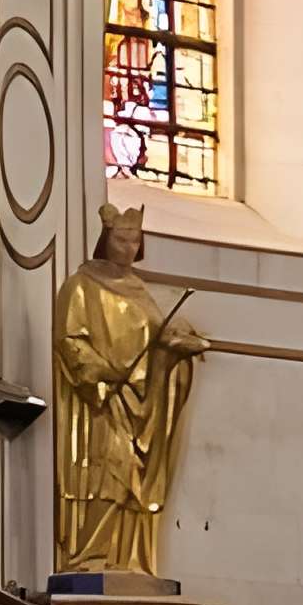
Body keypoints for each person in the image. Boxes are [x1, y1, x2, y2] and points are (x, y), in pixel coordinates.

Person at [52, 204, 210, 577]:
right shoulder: (81, 285)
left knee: (134, 482)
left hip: (142, 399)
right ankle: (89, 558)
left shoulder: (140, 290)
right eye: (121, 239)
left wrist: (176, 346)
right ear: (105, 241)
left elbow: (156, 338)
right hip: (103, 401)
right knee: (107, 474)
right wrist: (102, 377)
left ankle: (130, 562)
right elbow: (70, 339)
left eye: (134, 240)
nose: (127, 247)